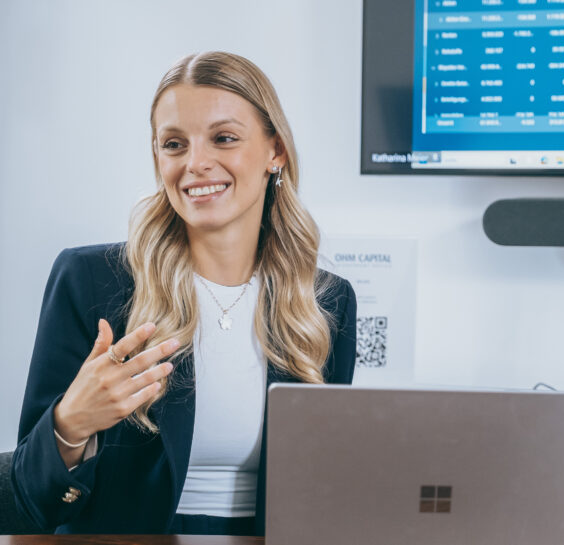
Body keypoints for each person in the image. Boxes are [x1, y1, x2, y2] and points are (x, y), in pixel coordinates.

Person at [10, 52, 356, 536]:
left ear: (275, 151)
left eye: (224, 138)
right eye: (174, 144)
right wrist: (70, 424)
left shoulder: (325, 301)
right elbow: (26, 501)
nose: (195, 164)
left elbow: (324, 487)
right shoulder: (90, 280)